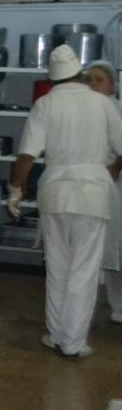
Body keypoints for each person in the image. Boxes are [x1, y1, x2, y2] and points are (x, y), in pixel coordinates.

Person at [9, 45, 122, 358]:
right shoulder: (103, 104)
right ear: (79, 73)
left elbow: (27, 155)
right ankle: (72, 342)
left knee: (57, 267)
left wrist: (15, 189)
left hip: (55, 192)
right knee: (83, 270)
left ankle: (57, 334)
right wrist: (114, 168)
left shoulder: (45, 104)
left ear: (52, 77)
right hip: (93, 195)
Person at [83, 60, 122, 323]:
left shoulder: (118, 110)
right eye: (90, 80)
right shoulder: (85, 111)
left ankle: (119, 305)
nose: (94, 84)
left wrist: (117, 166)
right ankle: (88, 306)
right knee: (94, 247)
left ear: (112, 85)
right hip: (91, 186)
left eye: (99, 80)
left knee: (116, 246)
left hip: (116, 187)